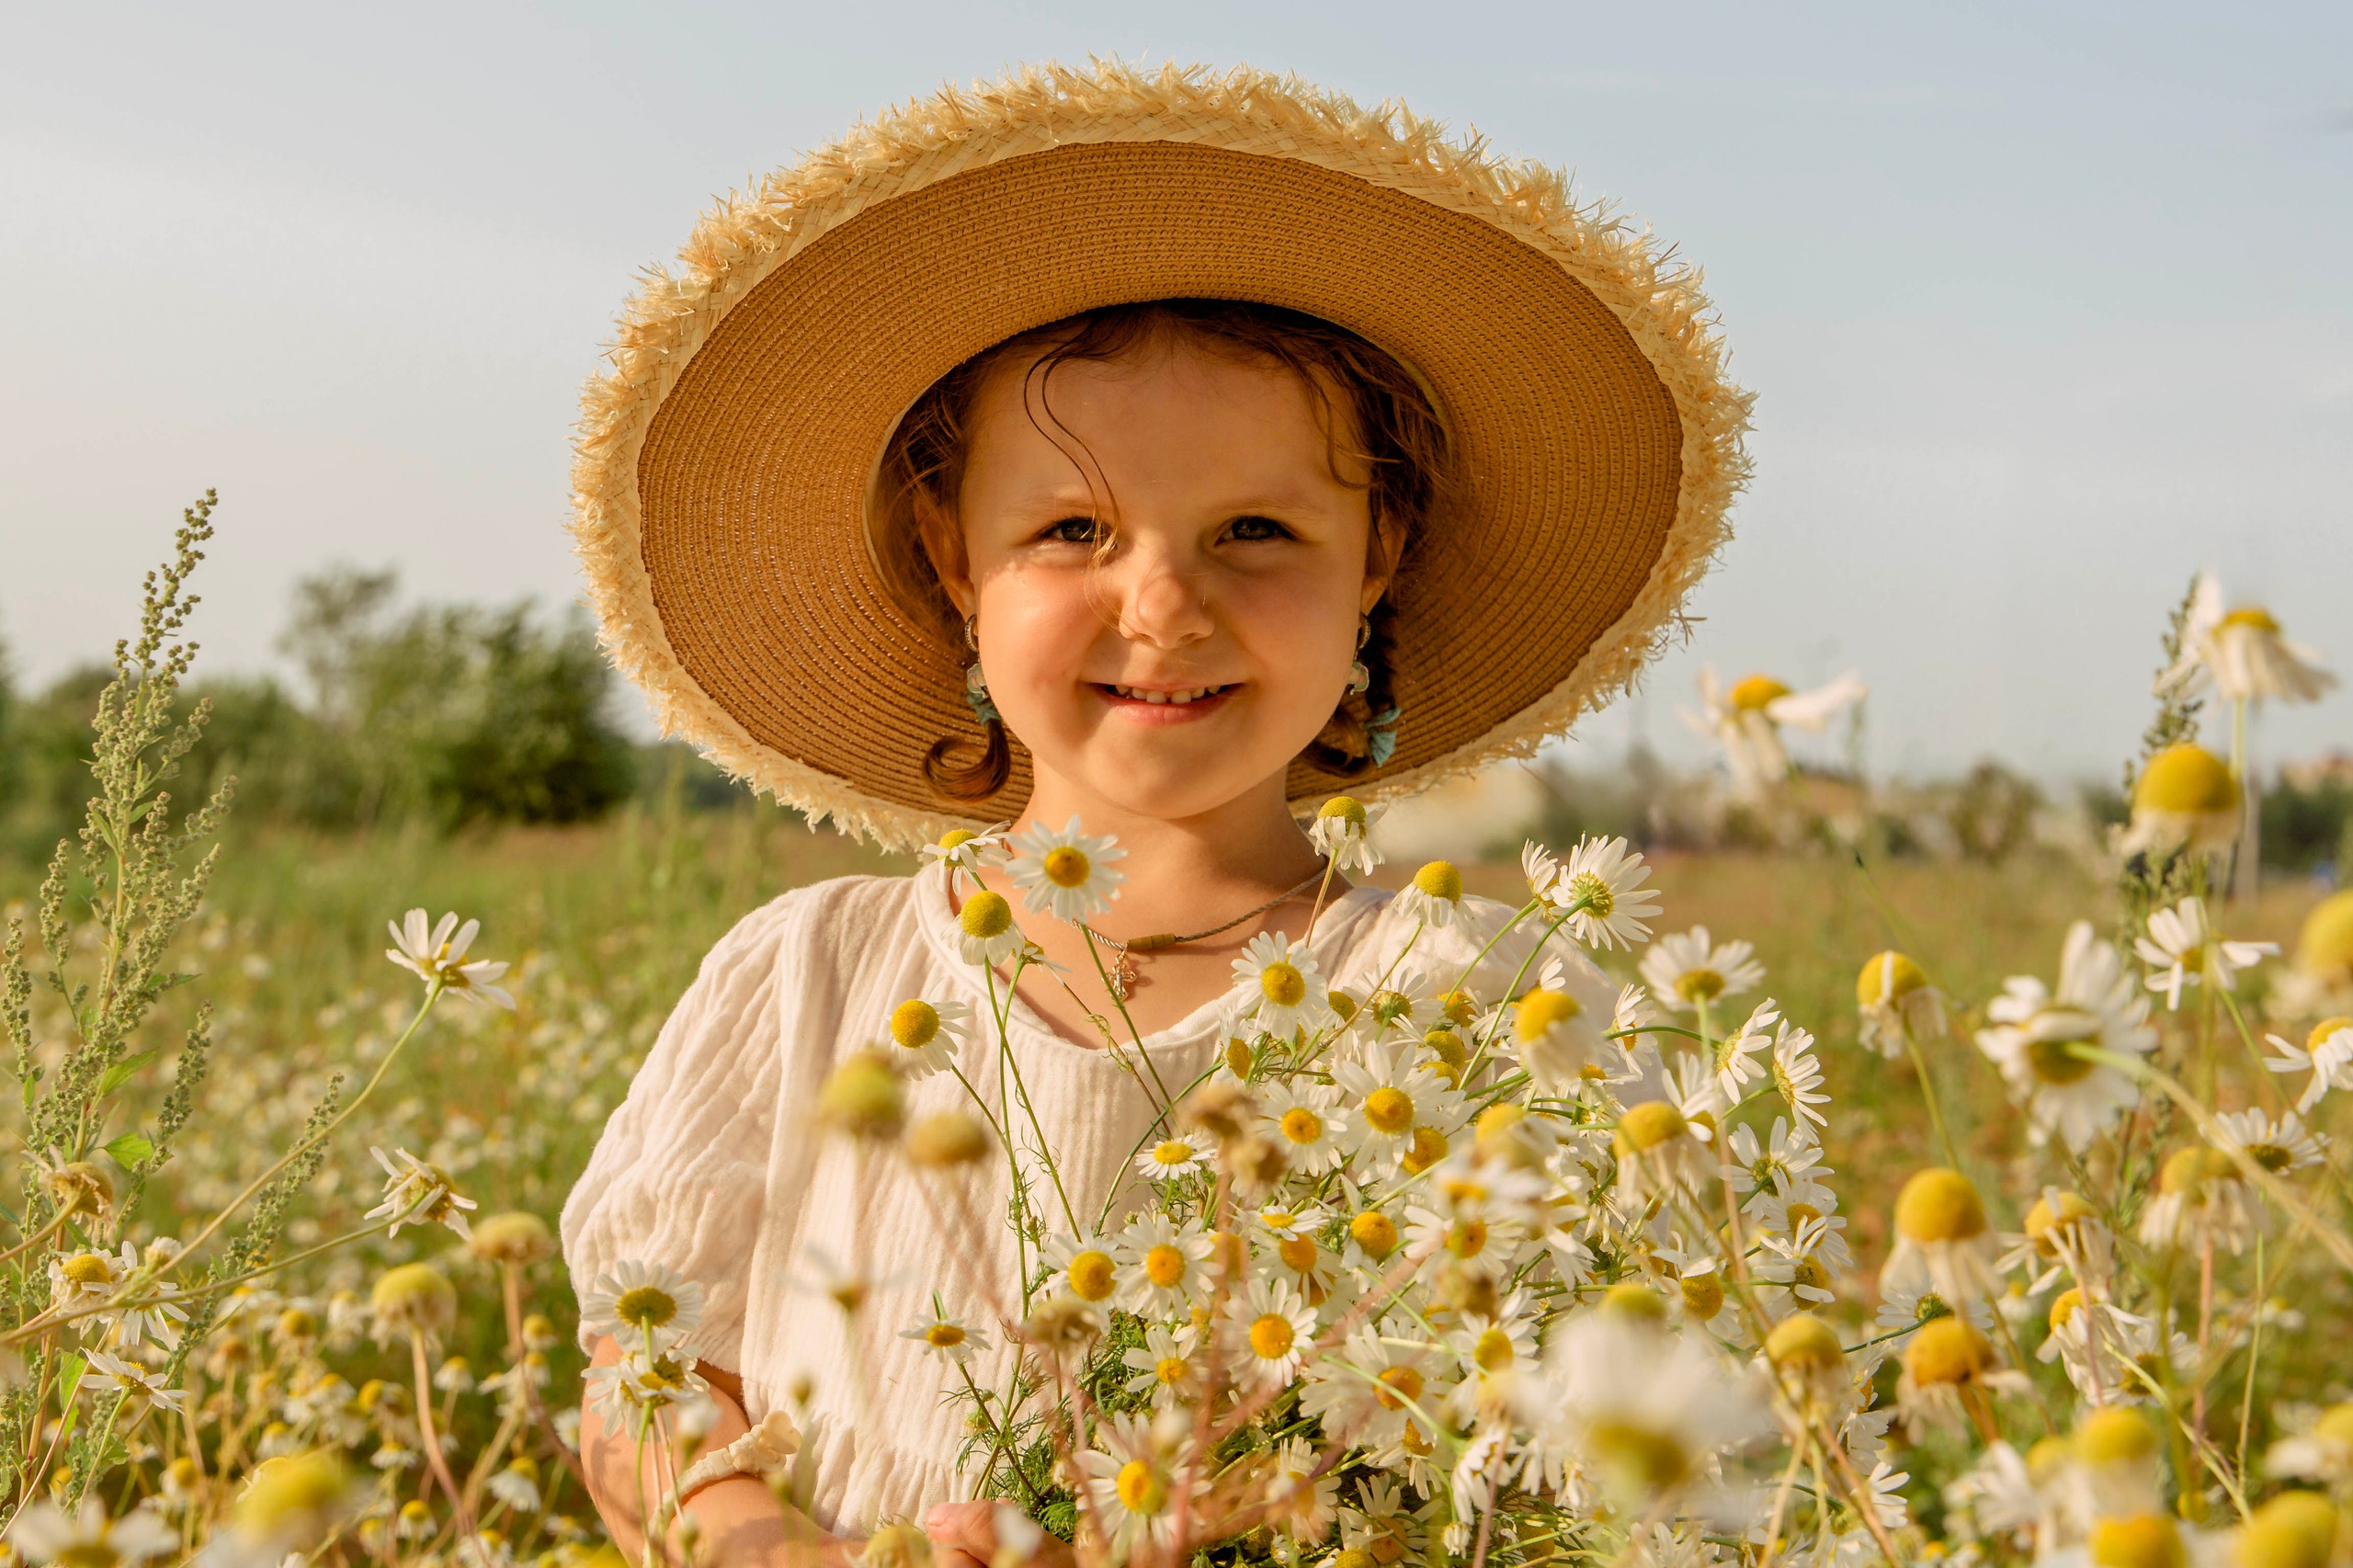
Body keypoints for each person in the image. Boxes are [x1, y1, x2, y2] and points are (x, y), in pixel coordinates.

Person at [558, 60, 1747, 1568]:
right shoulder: (808, 983)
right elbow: (647, 1382)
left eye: (1259, 529)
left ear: (1379, 550)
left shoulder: (1481, 1004)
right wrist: (778, 1548)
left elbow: (1590, 1461)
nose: (1167, 607)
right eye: (1074, 530)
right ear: (951, 555)